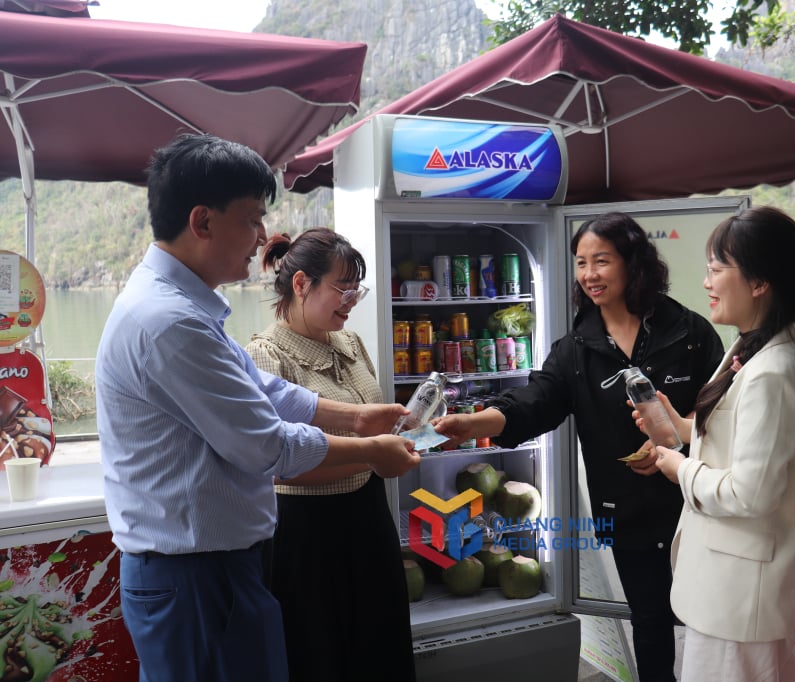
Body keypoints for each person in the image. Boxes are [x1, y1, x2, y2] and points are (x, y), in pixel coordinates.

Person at [95, 134, 420, 682]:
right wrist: (369, 452)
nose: (263, 237)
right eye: (252, 219)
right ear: (202, 221)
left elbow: (263, 392)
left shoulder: (185, 309)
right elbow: (264, 443)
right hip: (195, 576)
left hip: (215, 571)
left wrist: (356, 417)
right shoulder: (169, 322)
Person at [433, 212, 723, 682]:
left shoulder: (688, 334)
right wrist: (475, 423)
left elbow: (721, 413)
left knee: (713, 620)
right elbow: (533, 402)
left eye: (601, 261)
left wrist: (678, 449)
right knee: (649, 623)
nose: (589, 274)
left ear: (634, 264)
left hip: (695, 501)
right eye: (582, 263)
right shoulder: (576, 349)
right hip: (628, 511)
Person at [650, 206, 795, 681]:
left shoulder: (772, 370)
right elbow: (744, 442)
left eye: (717, 269)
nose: (707, 282)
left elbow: (751, 493)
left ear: (760, 281)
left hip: (742, 593)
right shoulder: (757, 344)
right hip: (737, 586)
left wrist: (678, 468)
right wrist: (678, 427)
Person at [245, 228, 416, 681]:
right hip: (306, 530)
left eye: (355, 290)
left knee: (379, 644)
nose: (351, 300)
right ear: (301, 284)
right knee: (320, 652)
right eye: (342, 288)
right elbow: (279, 468)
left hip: (368, 516)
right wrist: (375, 457)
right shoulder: (265, 356)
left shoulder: (351, 344)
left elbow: (373, 421)